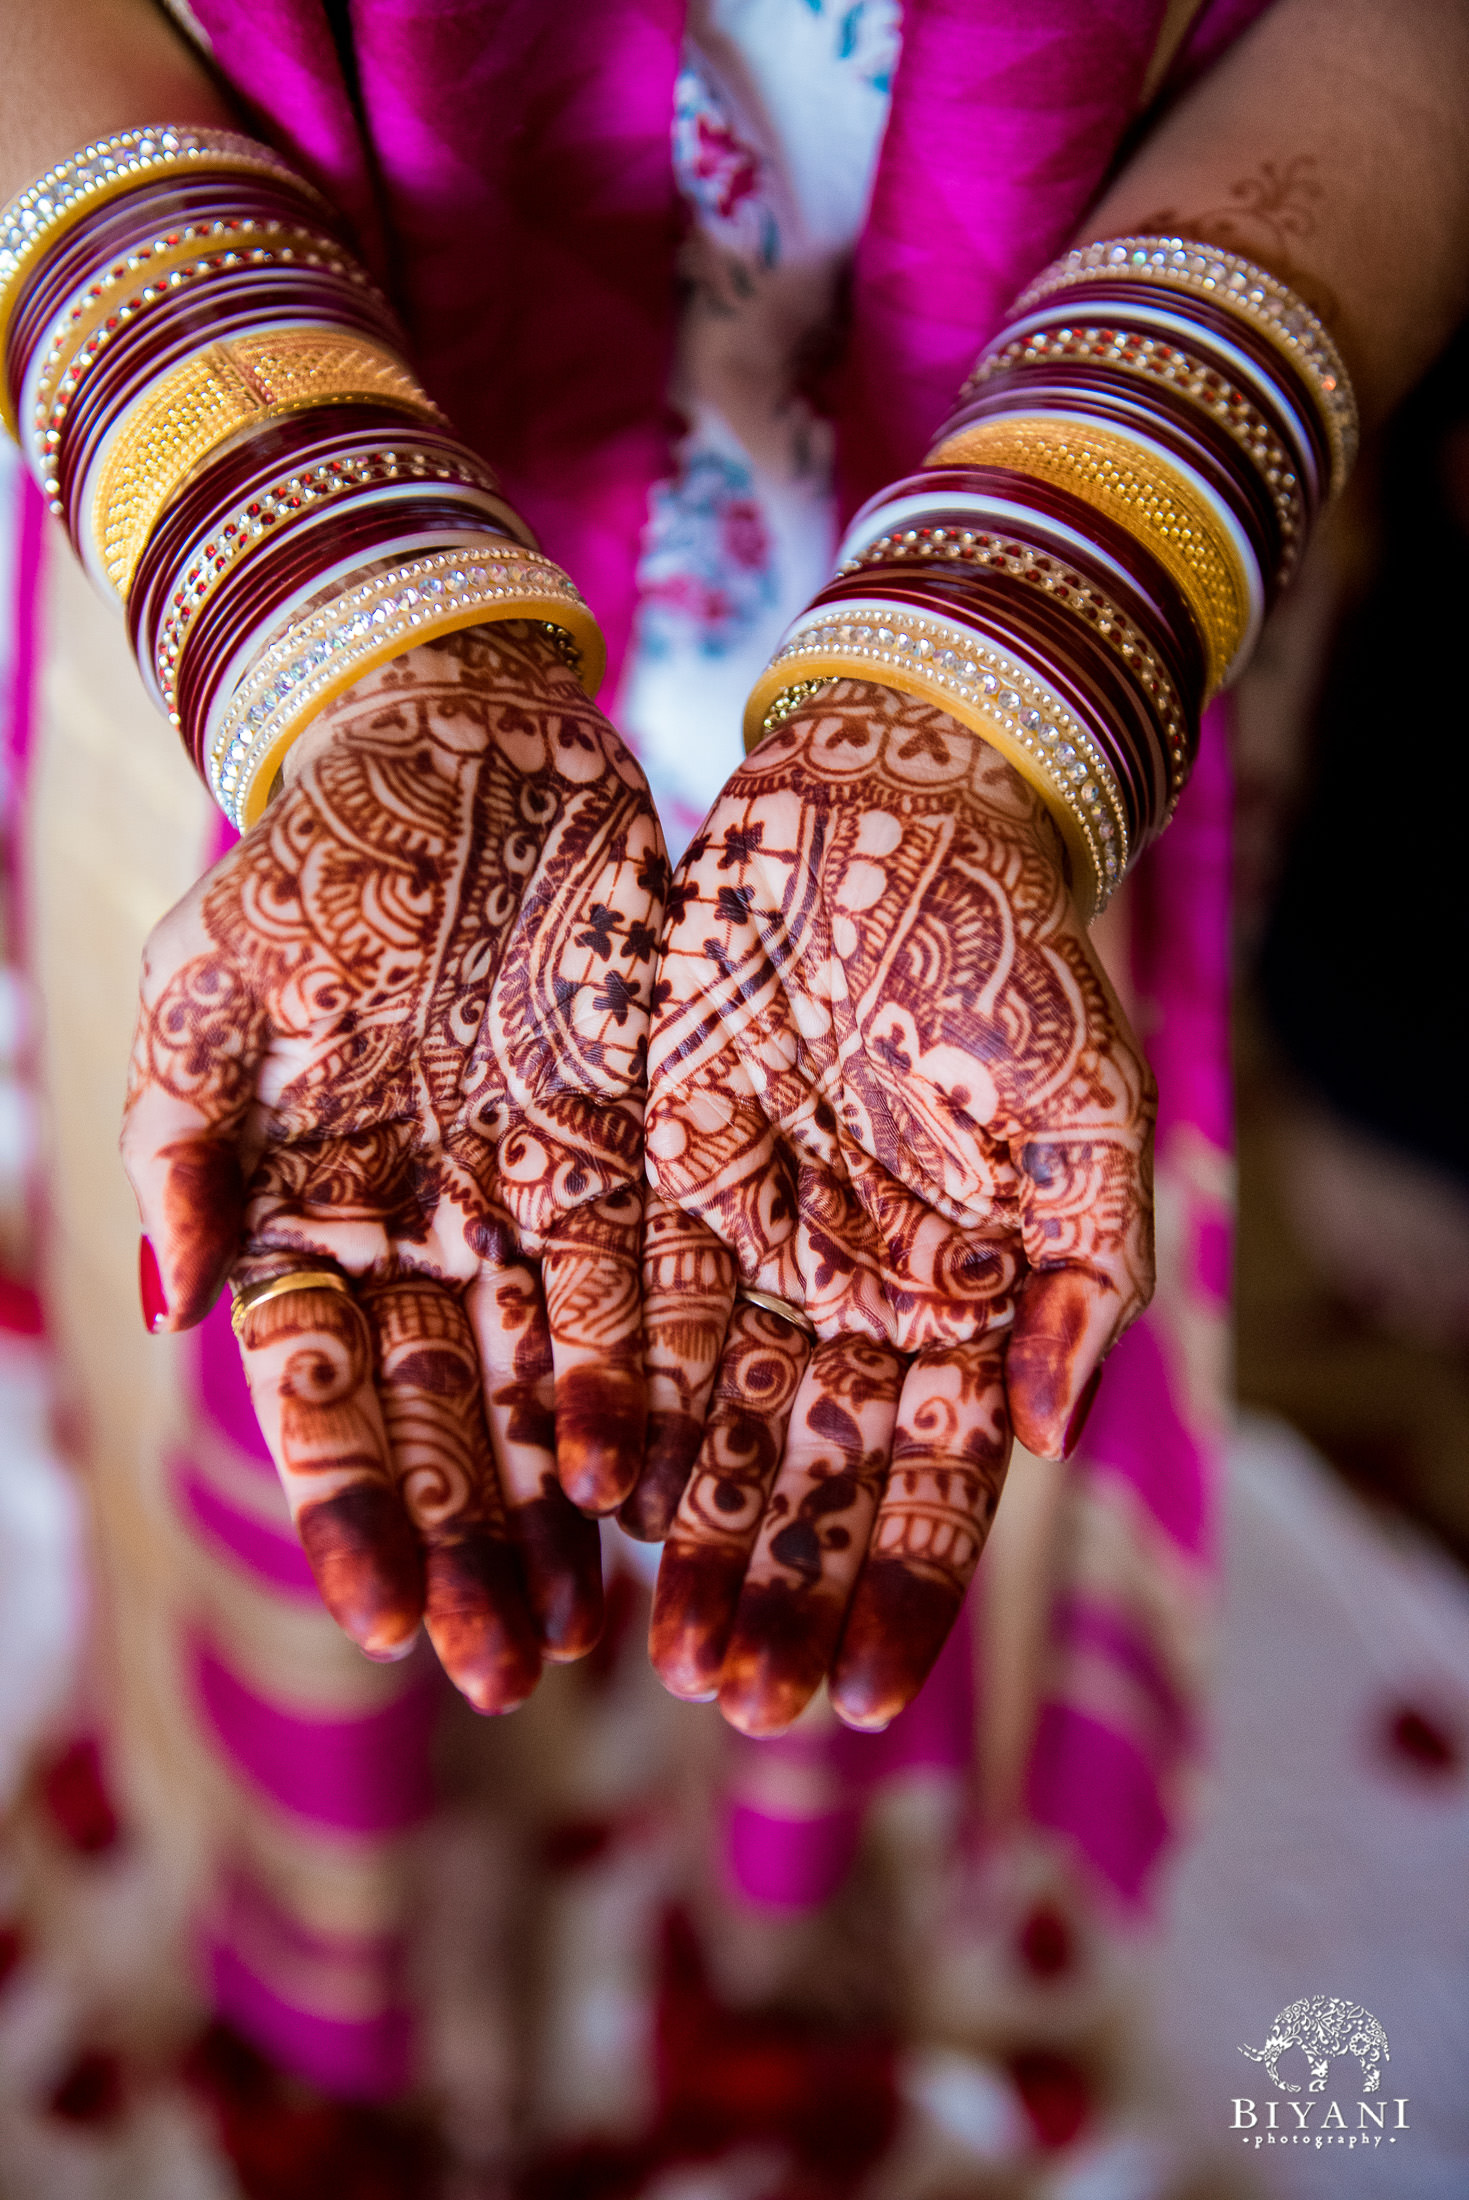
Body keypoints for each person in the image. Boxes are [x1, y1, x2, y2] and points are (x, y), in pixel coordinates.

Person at [1, 0, 1466, 2177]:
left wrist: (1007, 673)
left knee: (886, 1403)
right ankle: (338, 1941)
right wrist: (360, 639)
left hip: (1059, 662)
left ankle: (789, 1928)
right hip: (264, 640)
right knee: (333, 1409)